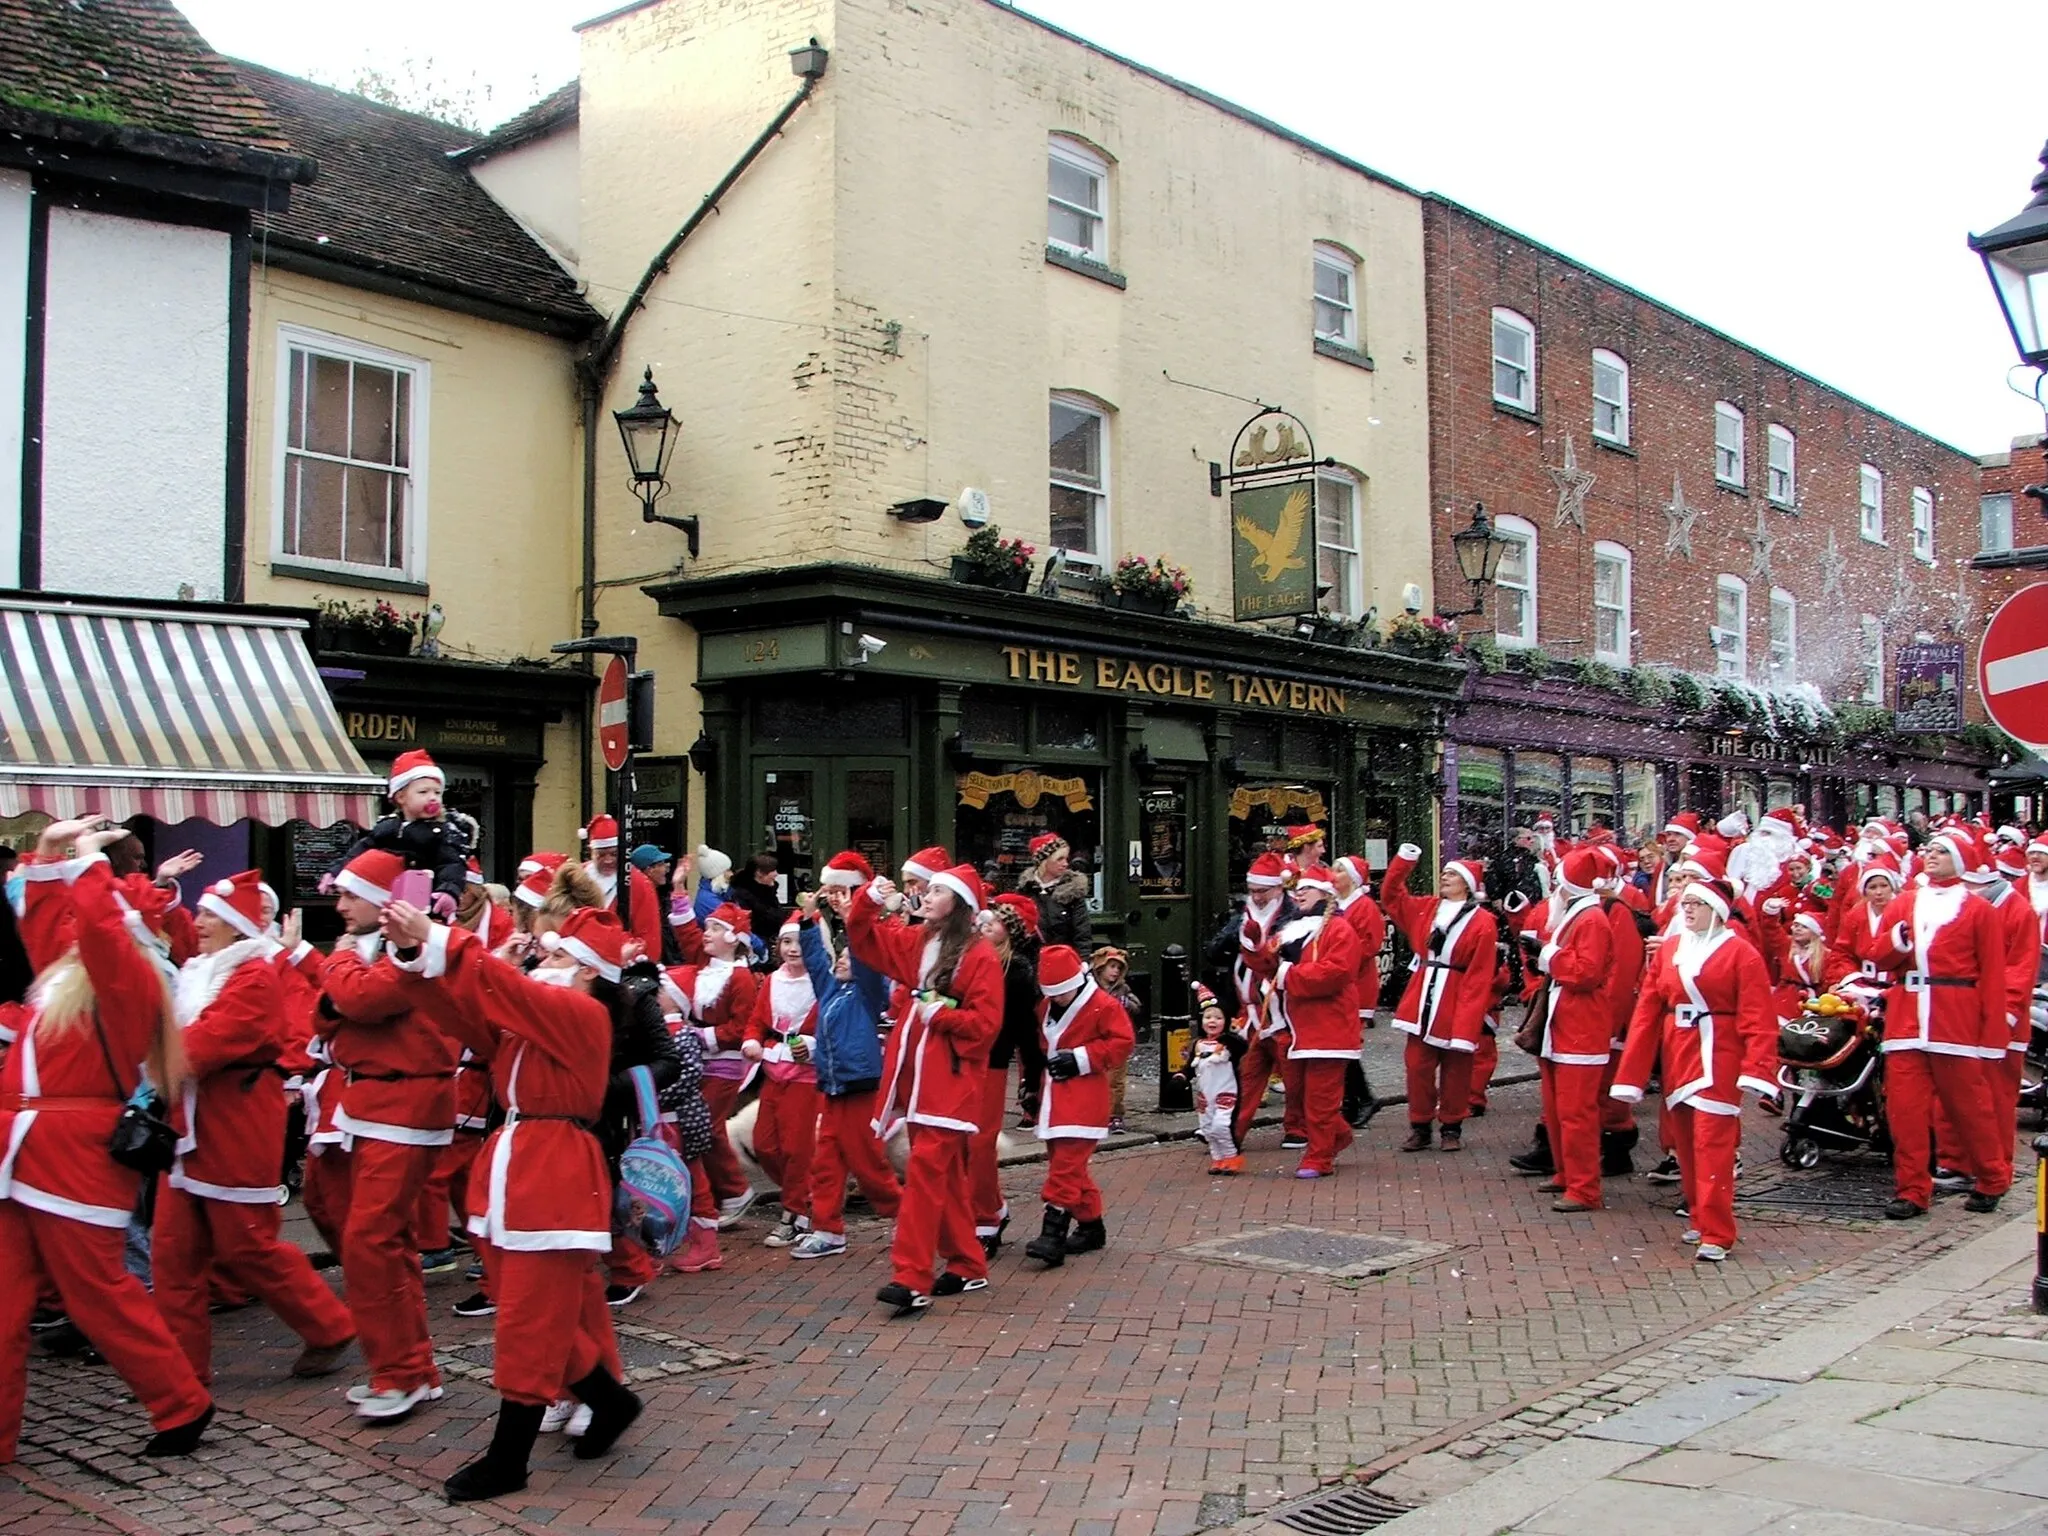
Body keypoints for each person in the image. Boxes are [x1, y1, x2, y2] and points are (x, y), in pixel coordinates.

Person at [379, 902, 641, 1502]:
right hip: (517, 1166)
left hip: (550, 1173)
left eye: (557, 954)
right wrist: (418, 957)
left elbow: (500, 989)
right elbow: (465, 1013)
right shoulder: (541, 1015)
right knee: (538, 1312)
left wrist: (443, 938)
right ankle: (609, 1399)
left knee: (526, 1320)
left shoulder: (583, 1012)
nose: (542, 959)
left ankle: (509, 1459)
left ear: (586, 970)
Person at [0, 818, 215, 1462]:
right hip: (24, 1149)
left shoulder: (130, 982)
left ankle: (181, 1402)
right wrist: (47, 853)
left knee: (101, 1295)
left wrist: (92, 862)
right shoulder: (69, 984)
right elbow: (45, 930)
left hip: (72, 1156)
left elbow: (92, 929)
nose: (69, 927)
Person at [154, 870, 357, 1386]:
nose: (197, 923)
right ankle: (181, 1375)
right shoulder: (203, 969)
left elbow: (211, 1041)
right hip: (190, 1126)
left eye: (209, 916)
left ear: (234, 926)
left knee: (248, 1246)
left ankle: (329, 1324)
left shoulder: (254, 975)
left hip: (235, 1125)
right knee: (174, 1256)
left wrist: (150, 1058)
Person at [318, 848, 459, 1422]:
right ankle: (409, 1369)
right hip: (375, 1103)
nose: (339, 904)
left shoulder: (409, 946)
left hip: (404, 1105)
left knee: (370, 1242)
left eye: (349, 895)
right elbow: (325, 1013)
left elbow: (360, 1000)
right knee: (385, 1242)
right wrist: (342, 983)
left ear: (379, 900)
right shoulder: (375, 949)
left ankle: (400, 1373)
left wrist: (336, 966)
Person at [846, 862, 1002, 1315]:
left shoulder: (980, 956)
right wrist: (868, 901)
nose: (926, 897)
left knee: (924, 1174)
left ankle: (911, 1276)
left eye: (937, 891)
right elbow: (865, 940)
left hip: (949, 1085)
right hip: (917, 1077)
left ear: (959, 904)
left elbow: (986, 1026)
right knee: (945, 1175)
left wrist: (943, 1016)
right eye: (926, 890)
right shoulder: (921, 941)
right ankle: (968, 1262)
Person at [1611, 876, 1778, 1261]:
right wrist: (1632, 1074)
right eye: (1684, 903)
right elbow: (1647, 1012)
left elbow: (1758, 1015)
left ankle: (1718, 1232)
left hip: (1718, 1051)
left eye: (1695, 904)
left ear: (1716, 911)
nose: (1686, 909)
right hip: (1678, 1051)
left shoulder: (1741, 953)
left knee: (1712, 1142)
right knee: (1683, 1141)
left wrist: (1757, 1067)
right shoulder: (1671, 949)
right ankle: (1701, 1217)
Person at [1871, 829, 2012, 1219]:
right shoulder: (1905, 903)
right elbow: (1878, 955)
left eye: (1942, 851)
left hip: (1955, 1018)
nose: (1931, 855)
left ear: (1961, 861)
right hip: (1906, 1019)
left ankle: (1992, 1177)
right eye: (1929, 850)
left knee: (1970, 1107)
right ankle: (1913, 1190)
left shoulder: (1979, 910)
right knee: (1906, 1112)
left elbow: (1993, 974)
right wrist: (1897, 942)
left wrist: (1993, 1034)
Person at [789, 863, 902, 1261]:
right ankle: (827, 1228)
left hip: (859, 1083)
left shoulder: (867, 993)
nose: (840, 961)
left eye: (848, 958)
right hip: (834, 1086)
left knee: (868, 1163)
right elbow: (817, 959)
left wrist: (854, 917)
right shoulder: (831, 990)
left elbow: (866, 953)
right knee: (826, 1161)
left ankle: (905, 1216)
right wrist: (807, 918)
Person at [1380, 845, 1498, 1153]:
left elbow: (1479, 975)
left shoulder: (1483, 921)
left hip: (1457, 996)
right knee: (1417, 1065)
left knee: (1456, 1069)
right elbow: (1391, 896)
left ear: (1467, 885)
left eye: (1453, 874)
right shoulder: (1427, 908)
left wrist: (1467, 1022)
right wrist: (1404, 862)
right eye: (1444, 872)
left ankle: (1451, 1126)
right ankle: (1420, 1125)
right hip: (1423, 995)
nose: (1445, 877)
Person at [1022, 943, 1134, 1263]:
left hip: (1085, 1101)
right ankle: (1090, 1226)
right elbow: (1038, 1050)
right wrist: (1032, 1089)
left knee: (1064, 1169)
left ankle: (1052, 1234)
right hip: (1054, 1101)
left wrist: (1082, 1059)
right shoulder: (1045, 1007)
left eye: (1061, 993)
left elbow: (1123, 1043)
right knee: (1071, 1169)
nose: (1056, 999)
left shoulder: (1103, 1005)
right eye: (1051, 994)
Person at [1522, 848, 1615, 1212]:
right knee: (1559, 1107)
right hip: (1563, 1023)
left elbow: (1586, 973)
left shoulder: (1591, 920)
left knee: (1576, 1111)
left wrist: (1548, 955)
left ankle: (1584, 1187)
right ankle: (1567, 1173)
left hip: (1579, 1024)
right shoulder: (1581, 916)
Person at [666, 904, 759, 1228]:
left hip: (726, 1064)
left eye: (716, 929)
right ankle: (720, 1193)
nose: (707, 933)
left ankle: (736, 1190)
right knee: (700, 1125)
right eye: (708, 927)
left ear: (733, 938)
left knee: (707, 1126)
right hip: (701, 1061)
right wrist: (678, 896)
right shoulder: (706, 965)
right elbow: (688, 936)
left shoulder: (741, 978)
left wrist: (699, 1035)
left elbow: (740, 1027)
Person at [1268, 866, 1363, 1178]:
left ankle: (1319, 1157)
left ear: (1326, 893)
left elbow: (1335, 973)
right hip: (1296, 1028)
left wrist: (1288, 975)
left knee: (1319, 1099)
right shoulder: (1293, 929)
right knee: (1300, 1093)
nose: (1299, 894)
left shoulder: (1339, 930)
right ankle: (1338, 1134)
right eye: (1298, 889)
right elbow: (1267, 965)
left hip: (1329, 1028)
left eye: (1307, 888)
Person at [744, 916, 821, 1250]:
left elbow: (830, 1028)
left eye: (800, 944)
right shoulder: (773, 981)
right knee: (764, 1145)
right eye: (787, 943)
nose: (793, 950)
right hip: (774, 1071)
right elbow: (757, 1022)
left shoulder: (821, 983)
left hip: (805, 1078)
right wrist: (751, 1040)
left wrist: (812, 1047)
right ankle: (804, 1196)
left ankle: (793, 1215)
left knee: (796, 1149)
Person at [330, 750, 475, 920]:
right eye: (423, 792)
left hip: (423, 906)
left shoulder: (442, 832)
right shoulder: (386, 827)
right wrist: (337, 870)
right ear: (401, 797)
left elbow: (452, 864)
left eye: (437, 793)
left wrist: (448, 890)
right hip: (383, 900)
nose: (433, 798)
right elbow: (360, 850)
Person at [973, 894, 1040, 1254]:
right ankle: (989, 1209)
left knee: (980, 1146)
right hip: (960, 1061)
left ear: (1009, 931)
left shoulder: (1016, 971)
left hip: (992, 1064)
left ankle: (988, 1218)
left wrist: (1033, 1078)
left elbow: (1027, 1029)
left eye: (995, 921)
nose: (986, 925)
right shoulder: (968, 958)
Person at [1232, 853, 1305, 1152]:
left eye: (1262, 891)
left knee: (1293, 1076)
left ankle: (1298, 1127)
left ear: (1278, 889)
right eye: (1252, 891)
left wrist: (1258, 948)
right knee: (1247, 1075)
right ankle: (1233, 1130)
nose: (1257, 897)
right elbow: (1220, 947)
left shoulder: (1292, 918)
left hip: (1282, 1012)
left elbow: (1280, 963)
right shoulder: (1245, 914)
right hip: (1250, 1013)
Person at [1331, 854, 1384, 1123]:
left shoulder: (1364, 907)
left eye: (1339, 870)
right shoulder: (1333, 905)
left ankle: (1362, 1098)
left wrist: (1339, 958)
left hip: (1356, 983)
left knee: (1346, 1043)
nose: (1333, 874)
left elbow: (1369, 945)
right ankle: (1352, 1102)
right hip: (1340, 980)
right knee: (1340, 1043)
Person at [1175, 983, 1246, 1172]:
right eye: (1207, 1017)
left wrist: (1231, 1038)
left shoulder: (1228, 1044)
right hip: (1205, 1096)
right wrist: (1181, 1076)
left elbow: (1241, 1048)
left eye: (1218, 1017)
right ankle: (1217, 1158)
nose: (1212, 1021)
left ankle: (1231, 1156)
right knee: (1208, 1129)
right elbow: (1189, 1067)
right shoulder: (1198, 1044)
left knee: (1221, 1126)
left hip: (1226, 1091)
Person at [581, 817, 663, 963]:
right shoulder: (578, 876)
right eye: (601, 854)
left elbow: (649, 935)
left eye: (614, 854)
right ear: (591, 852)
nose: (608, 860)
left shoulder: (639, 883)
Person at [1088, 946, 1142, 1134]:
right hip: (1096, 1039)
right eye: (1111, 966)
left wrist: (1128, 1004)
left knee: (1117, 1079)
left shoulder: (1122, 989)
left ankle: (1115, 1114)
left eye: (1118, 968)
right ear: (1101, 968)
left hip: (1117, 1040)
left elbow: (1137, 1006)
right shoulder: (1090, 988)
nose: (1115, 971)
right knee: (1096, 1078)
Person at [1018, 833, 1092, 950]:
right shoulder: (1025, 890)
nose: (1065, 864)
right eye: (1059, 859)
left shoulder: (1073, 892)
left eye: (1066, 859)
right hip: (1031, 961)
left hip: (1062, 959)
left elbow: (1082, 935)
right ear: (1044, 861)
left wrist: (1082, 962)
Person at [729, 853, 788, 942]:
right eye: (772, 870)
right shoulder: (742, 896)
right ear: (759, 873)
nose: (776, 874)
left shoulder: (768, 890)